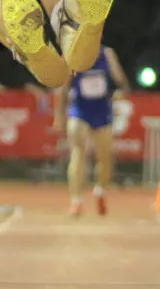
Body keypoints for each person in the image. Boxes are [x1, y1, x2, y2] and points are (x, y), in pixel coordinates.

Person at [52, 45, 130, 217]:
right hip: (79, 111)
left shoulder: (107, 54)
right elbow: (62, 88)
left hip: (102, 112)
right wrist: (58, 116)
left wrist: (121, 92)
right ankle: (76, 200)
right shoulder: (71, 54)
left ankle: (100, 190)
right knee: (77, 153)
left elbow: (120, 80)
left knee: (105, 157)